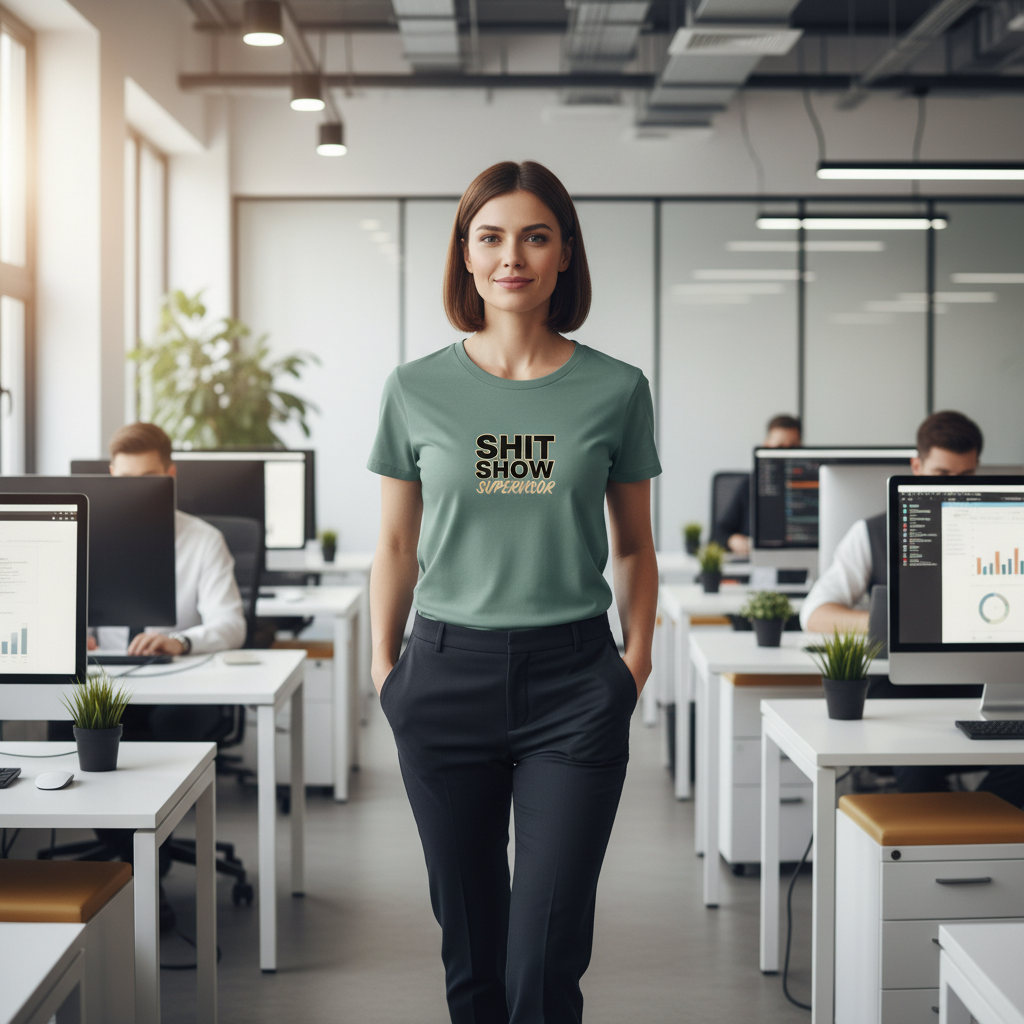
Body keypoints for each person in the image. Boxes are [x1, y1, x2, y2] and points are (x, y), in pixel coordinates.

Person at [368, 161, 660, 1024]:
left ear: (564, 253)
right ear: (465, 255)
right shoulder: (414, 388)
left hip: (574, 682)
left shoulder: (616, 388)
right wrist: (388, 671)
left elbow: (636, 546)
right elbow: (393, 543)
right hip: (443, 674)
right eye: (490, 237)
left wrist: (632, 667)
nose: (512, 256)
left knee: (544, 951)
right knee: (473, 952)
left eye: (535, 235)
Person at [801, 410, 1024, 808]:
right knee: (917, 764)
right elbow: (815, 613)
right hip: (906, 689)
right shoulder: (871, 532)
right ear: (917, 466)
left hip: (985, 681)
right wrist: (897, 625)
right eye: (941, 476)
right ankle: (943, 832)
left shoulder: (1005, 529)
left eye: (966, 477)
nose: (954, 488)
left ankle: (976, 824)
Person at [100, 422, 247, 742]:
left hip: (174, 675)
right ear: (112, 475)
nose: (136, 491)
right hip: (105, 676)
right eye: (125, 481)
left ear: (170, 475)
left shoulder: (205, 541)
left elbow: (231, 625)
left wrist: (180, 642)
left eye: (148, 479)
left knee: (176, 720)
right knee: (70, 715)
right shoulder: (90, 536)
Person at [711, 413, 802, 555]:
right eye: (779, 447)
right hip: (756, 568)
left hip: (800, 568)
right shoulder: (749, 486)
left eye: (792, 448)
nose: (785, 454)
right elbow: (718, 533)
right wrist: (733, 540)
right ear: (766, 446)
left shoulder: (813, 488)